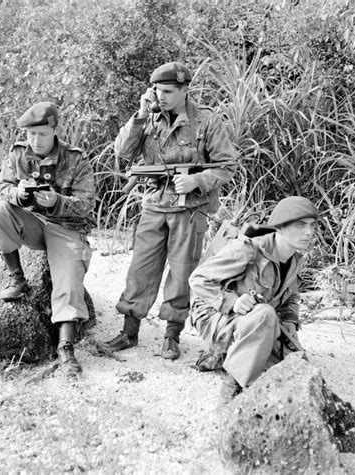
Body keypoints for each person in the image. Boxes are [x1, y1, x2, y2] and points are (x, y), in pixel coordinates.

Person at [104, 61, 239, 360]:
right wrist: (141, 114)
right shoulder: (148, 118)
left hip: (190, 211)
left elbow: (228, 165)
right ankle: (129, 331)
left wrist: (197, 180)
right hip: (154, 204)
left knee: (181, 273)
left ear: (184, 90)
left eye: (167, 91)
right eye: (156, 90)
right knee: (140, 268)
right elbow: (122, 152)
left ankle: (171, 336)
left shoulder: (206, 121)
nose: (160, 96)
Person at [0, 101, 95, 376]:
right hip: (32, 223)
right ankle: (17, 279)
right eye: (30, 135)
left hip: (66, 226)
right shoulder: (18, 154)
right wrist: (18, 196)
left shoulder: (75, 158)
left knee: (69, 276)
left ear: (54, 130)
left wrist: (57, 200)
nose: (35, 141)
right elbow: (2, 186)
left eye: (42, 135)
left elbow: (86, 204)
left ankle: (65, 348)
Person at [189, 196, 319, 403]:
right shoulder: (248, 249)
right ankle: (232, 389)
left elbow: (291, 296)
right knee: (265, 315)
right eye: (300, 225)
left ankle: (223, 357)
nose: (308, 232)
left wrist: (290, 320)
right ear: (280, 228)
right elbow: (198, 279)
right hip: (215, 317)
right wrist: (232, 302)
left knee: (297, 364)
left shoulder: (294, 259)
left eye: (312, 226)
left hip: (253, 322)